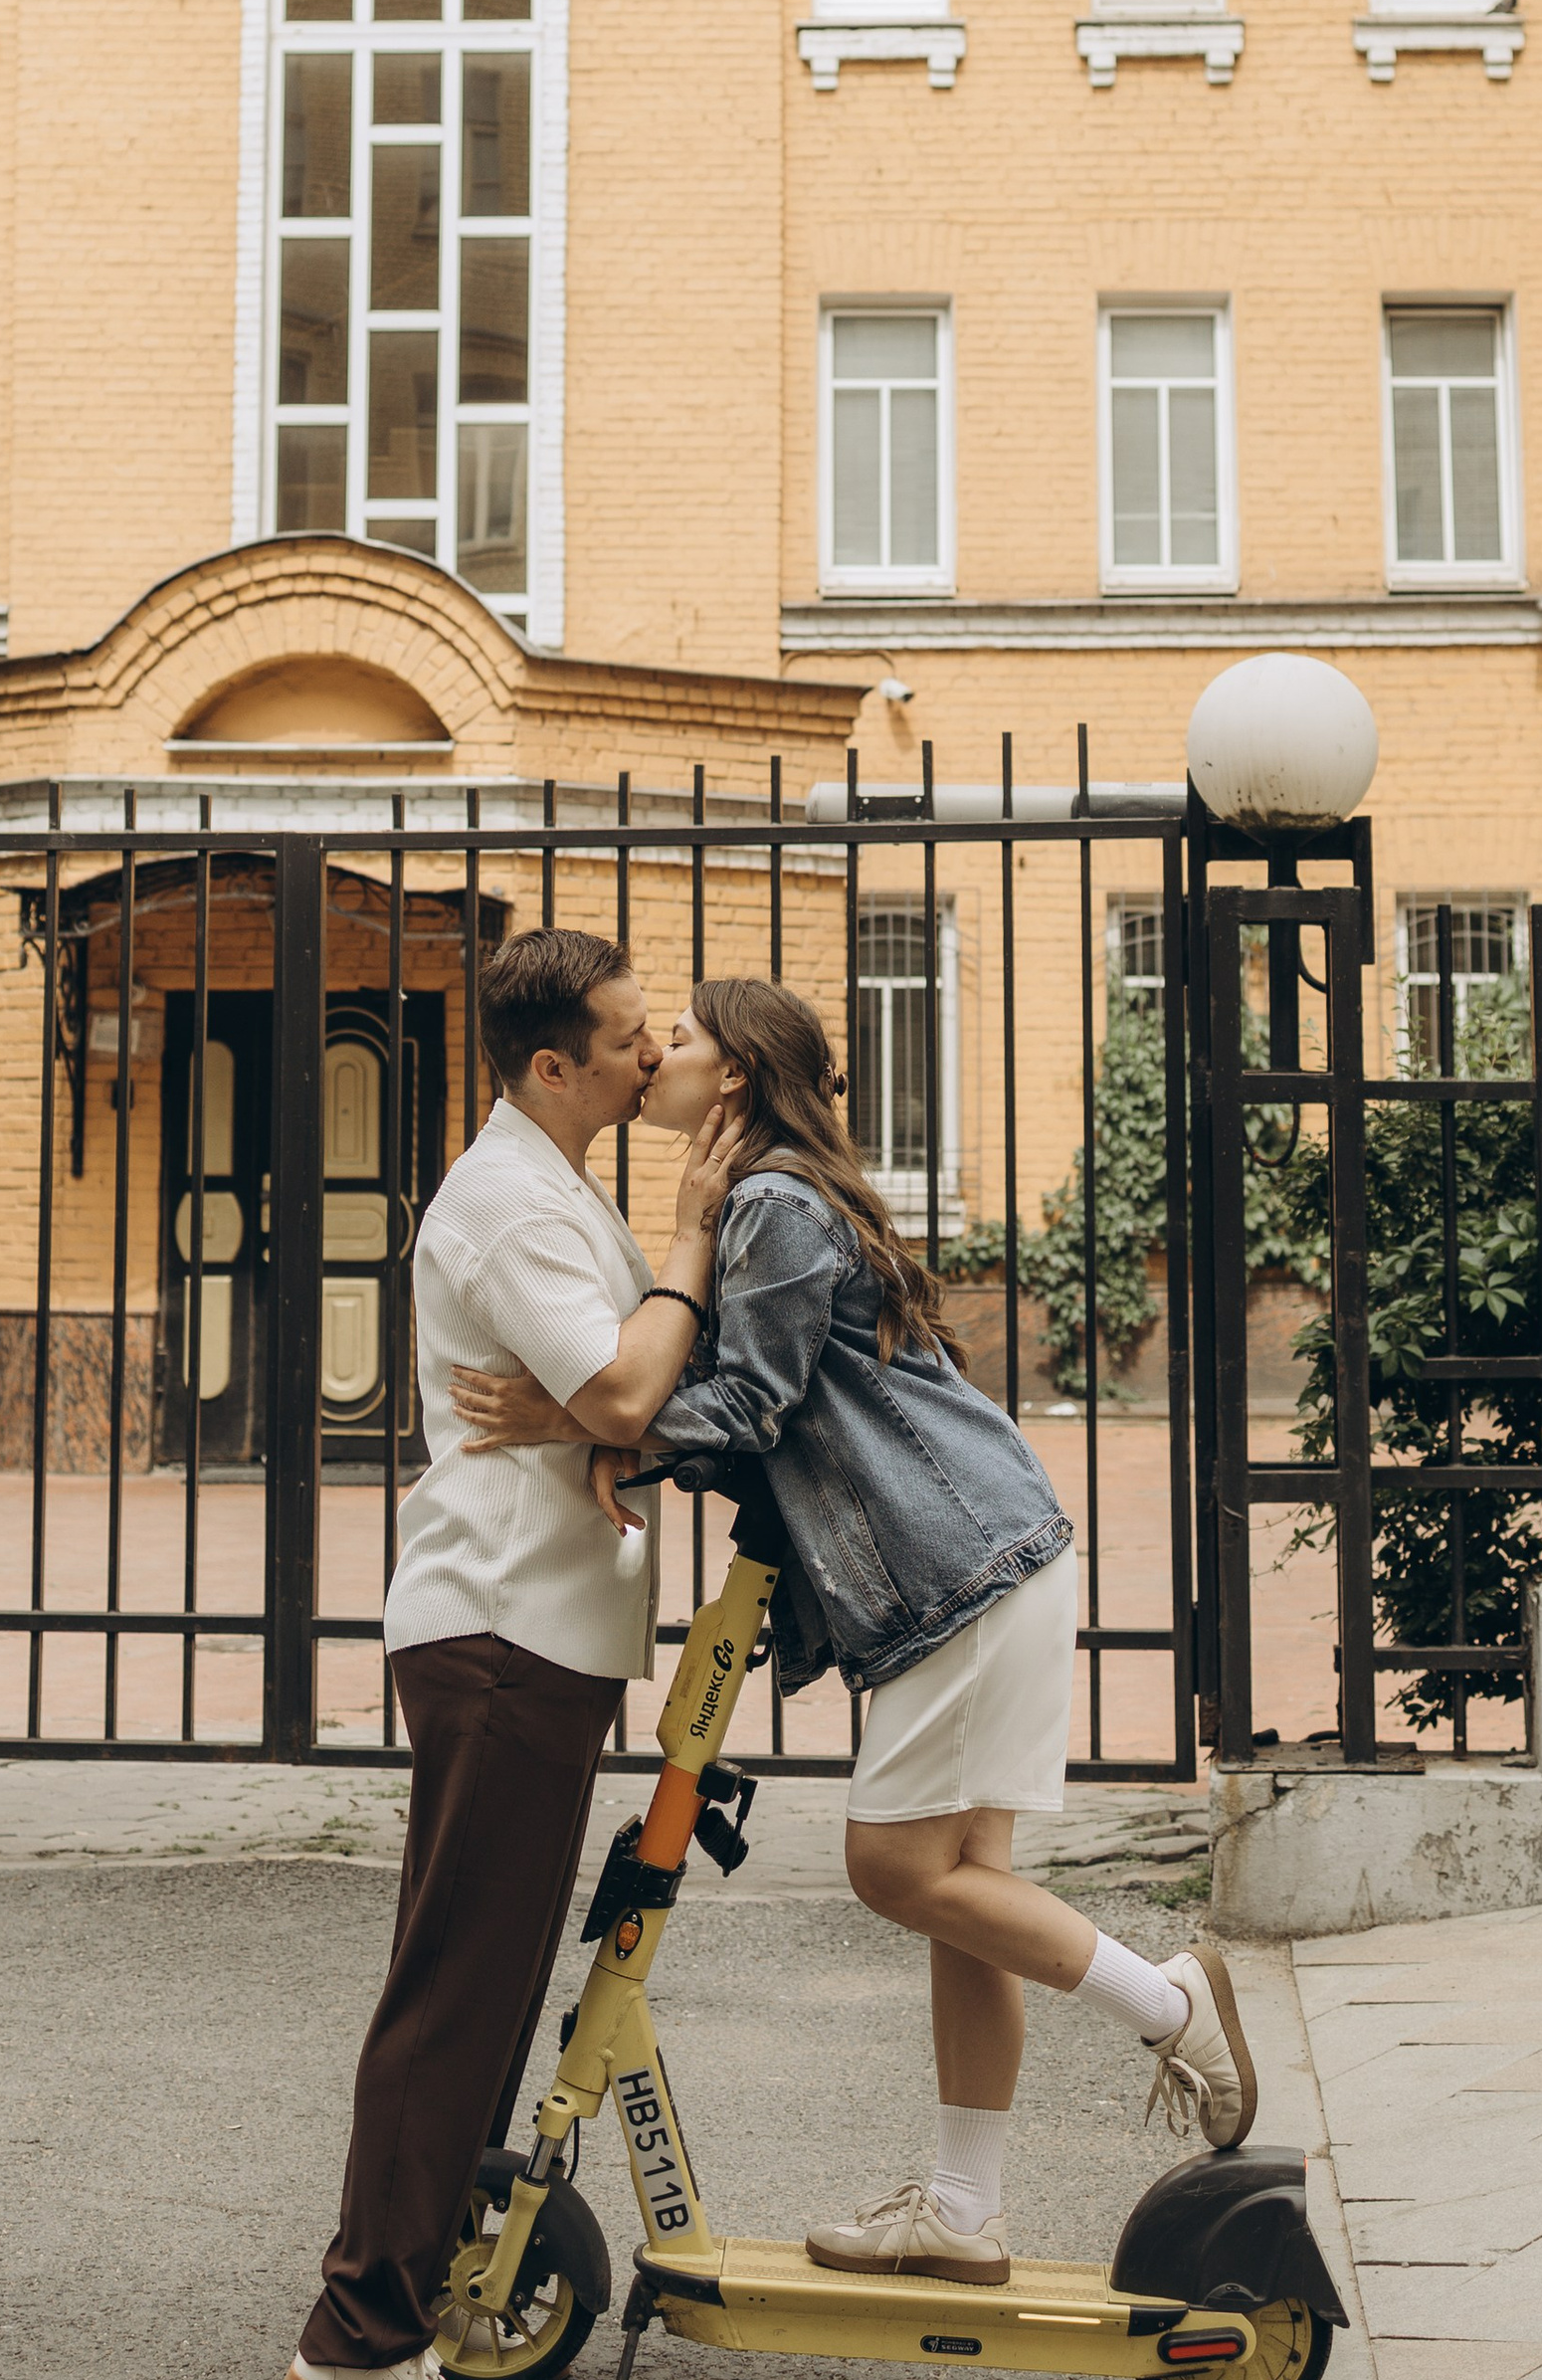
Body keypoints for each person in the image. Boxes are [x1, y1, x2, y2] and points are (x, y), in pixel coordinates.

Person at [453, 971, 1253, 2298]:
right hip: (987, 1558)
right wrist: (635, 1406)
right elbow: (753, 1397)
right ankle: (963, 2211)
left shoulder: (769, 1201)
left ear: (741, 1079)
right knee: (966, 1901)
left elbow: (750, 1406)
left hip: (962, 1572)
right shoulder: (776, 1199)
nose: (657, 1055)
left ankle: (1173, 2005)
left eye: (686, 1041)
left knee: (894, 1867)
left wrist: (583, 1418)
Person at [287, 928, 740, 2380]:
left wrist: (596, 1401)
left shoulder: (551, 1185)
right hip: (499, 1637)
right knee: (456, 1991)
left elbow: (620, 1398)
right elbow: (629, 1389)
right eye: (625, 1035)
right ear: (554, 1063)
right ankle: (360, 2342)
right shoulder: (510, 1205)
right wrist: (681, 1248)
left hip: (535, 1635)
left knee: (474, 1990)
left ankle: (402, 2310)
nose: (650, 1049)